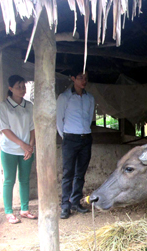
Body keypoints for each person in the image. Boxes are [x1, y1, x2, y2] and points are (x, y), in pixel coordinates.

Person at [0, 75, 37, 224]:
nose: (22, 89)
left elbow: (33, 127)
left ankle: (25, 209)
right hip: (9, 149)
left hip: (27, 149)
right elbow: (4, 129)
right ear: (10, 88)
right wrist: (23, 144)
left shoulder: (29, 105)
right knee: (9, 180)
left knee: (25, 179)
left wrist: (30, 146)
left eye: (23, 86)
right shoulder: (4, 105)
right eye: (18, 87)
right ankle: (9, 212)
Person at [56, 69, 95, 219]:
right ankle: (65, 206)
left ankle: (76, 202)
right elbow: (59, 120)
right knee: (68, 174)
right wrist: (66, 136)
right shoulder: (64, 97)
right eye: (80, 78)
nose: (83, 81)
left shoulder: (89, 98)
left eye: (85, 77)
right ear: (72, 78)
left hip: (86, 138)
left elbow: (90, 117)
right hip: (70, 138)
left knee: (80, 173)